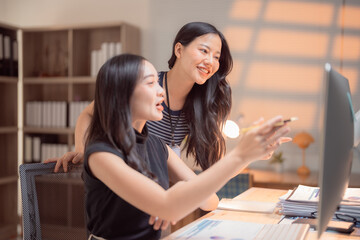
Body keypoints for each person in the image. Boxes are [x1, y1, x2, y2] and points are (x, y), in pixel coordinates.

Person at [83, 53, 290, 239]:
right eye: (150, 83)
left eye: (158, 82)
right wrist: (240, 155)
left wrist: (249, 155)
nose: (160, 92)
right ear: (121, 94)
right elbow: (168, 207)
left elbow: (210, 201)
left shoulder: (157, 146)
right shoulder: (101, 153)